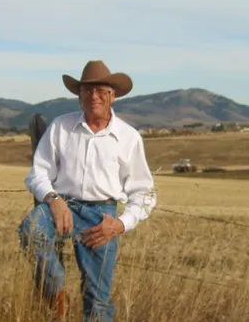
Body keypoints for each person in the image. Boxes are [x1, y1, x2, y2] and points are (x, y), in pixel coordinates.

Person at [18, 60, 157, 321]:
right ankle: (56, 294)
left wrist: (119, 225)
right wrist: (53, 199)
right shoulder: (60, 126)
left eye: (101, 90)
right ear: (79, 96)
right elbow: (38, 172)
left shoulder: (128, 137)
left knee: (97, 302)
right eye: (87, 90)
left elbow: (145, 193)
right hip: (60, 206)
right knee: (31, 231)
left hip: (101, 217)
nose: (94, 96)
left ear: (112, 96)